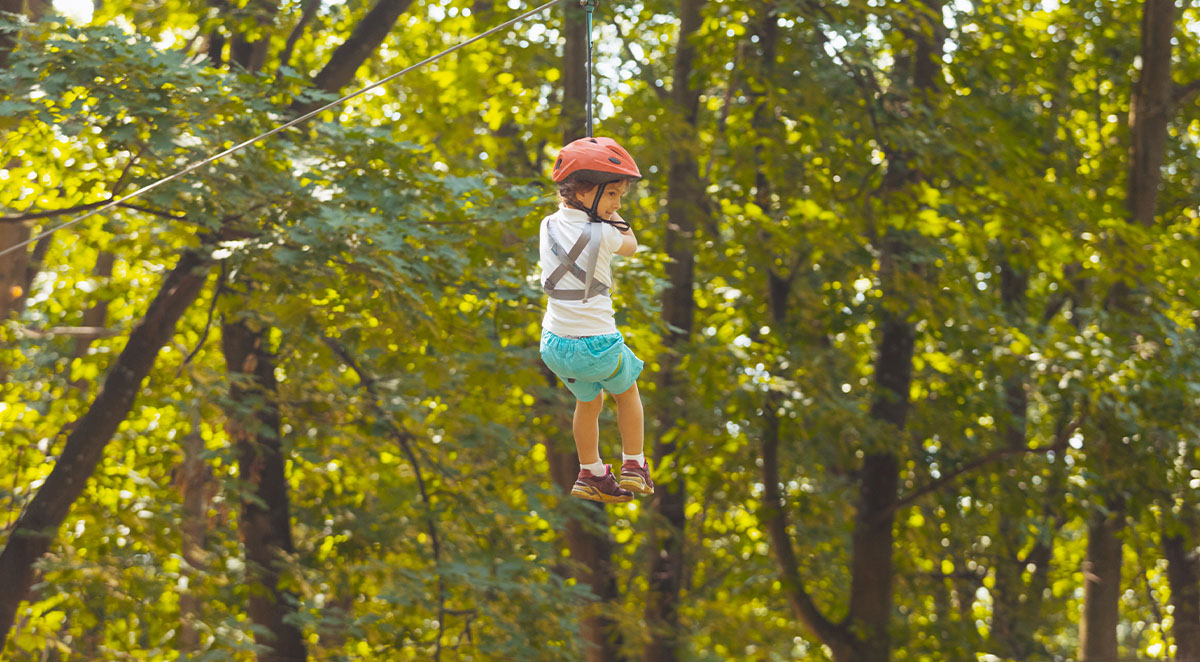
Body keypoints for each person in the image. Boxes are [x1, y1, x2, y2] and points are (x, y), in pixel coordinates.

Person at [539, 137, 654, 504]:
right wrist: (610, 217)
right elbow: (631, 244)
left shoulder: (546, 226)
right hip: (598, 345)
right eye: (612, 195)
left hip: (555, 347)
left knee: (588, 404)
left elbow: (570, 216)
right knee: (627, 391)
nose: (618, 205)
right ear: (585, 192)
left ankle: (590, 472)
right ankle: (634, 465)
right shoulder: (606, 232)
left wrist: (597, 205)